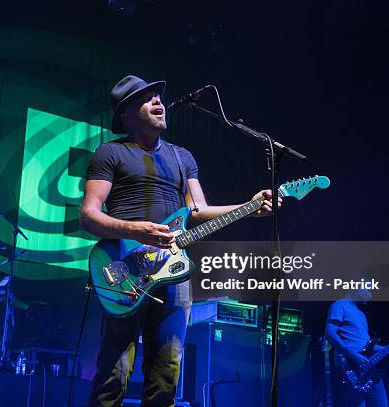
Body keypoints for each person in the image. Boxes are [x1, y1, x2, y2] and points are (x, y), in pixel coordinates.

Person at [80, 75, 280, 406]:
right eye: (146, 99)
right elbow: (88, 215)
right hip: (124, 269)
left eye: (157, 96)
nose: (158, 101)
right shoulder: (110, 152)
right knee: (115, 372)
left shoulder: (181, 157)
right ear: (127, 114)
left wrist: (249, 207)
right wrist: (135, 230)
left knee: (167, 375)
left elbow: (196, 211)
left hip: (174, 274)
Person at [325, 285, 389, 407]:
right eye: (368, 290)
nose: (371, 295)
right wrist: (353, 355)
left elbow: (368, 346)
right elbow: (330, 333)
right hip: (351, 367)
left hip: (369, 368)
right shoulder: (339, 305)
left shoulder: (361, 314)